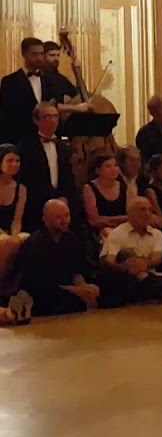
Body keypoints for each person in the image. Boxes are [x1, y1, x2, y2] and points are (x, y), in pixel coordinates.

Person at [8, 200, 95, 318]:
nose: (65, 221)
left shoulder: (71, 239)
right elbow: (35, 282)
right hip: (41, 292)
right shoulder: (35, 244)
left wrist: (83, 285)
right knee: (70, 303)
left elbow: (77, 268)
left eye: (67, 215)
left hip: (66, 288)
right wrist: (74, 290)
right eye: (58, 217)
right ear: (46, 219)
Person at [1, 38, 88, 145]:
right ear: (24, 54)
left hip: (48, 137)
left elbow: (53, 103)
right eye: (34, 54)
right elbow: (12, 113)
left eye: (41, 54)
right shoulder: (10, 81)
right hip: (20, 139)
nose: (39, 58)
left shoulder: (50, 79)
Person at [17, 103, 80, 232]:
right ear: (36, 120)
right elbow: (27, 178)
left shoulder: (64, 147)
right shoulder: (26, 147)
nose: (53, 120)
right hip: (36, 205)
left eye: (55, 116)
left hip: (62, 201)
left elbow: (68, 177)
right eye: (47, 117)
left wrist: (64, 197)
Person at [0, 144, 29, 292]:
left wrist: (14, 236)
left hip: (10, 232)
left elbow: (17, 220)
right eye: (10, 161)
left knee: (25, 239)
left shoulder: (21, 189)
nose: (14, 164)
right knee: (8, 243)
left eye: (17, 161)